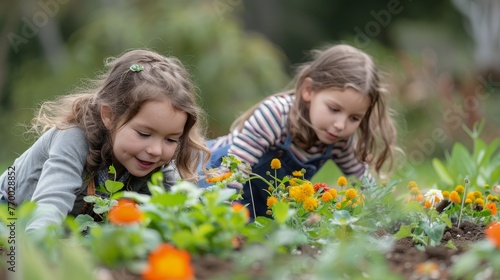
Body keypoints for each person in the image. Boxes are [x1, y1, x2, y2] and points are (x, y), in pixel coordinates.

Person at [0, 49, 210, 231]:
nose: (156, 149)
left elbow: (188, 210)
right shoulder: (73, 139)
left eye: (171, 139)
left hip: (69, 231)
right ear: (109, 116)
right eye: (144, 134)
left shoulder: (156, 162)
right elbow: (48, 209)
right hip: (10, 215)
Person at [201, 43, 400, 219]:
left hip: (257, 200)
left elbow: (362, 178)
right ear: (308, 90)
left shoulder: (339, 140)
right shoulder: (275, 115)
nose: (341, 125)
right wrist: (225, 215)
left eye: (354, 118)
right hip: (213, 175)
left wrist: (385, 217)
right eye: (334, 109)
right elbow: (234, 170)